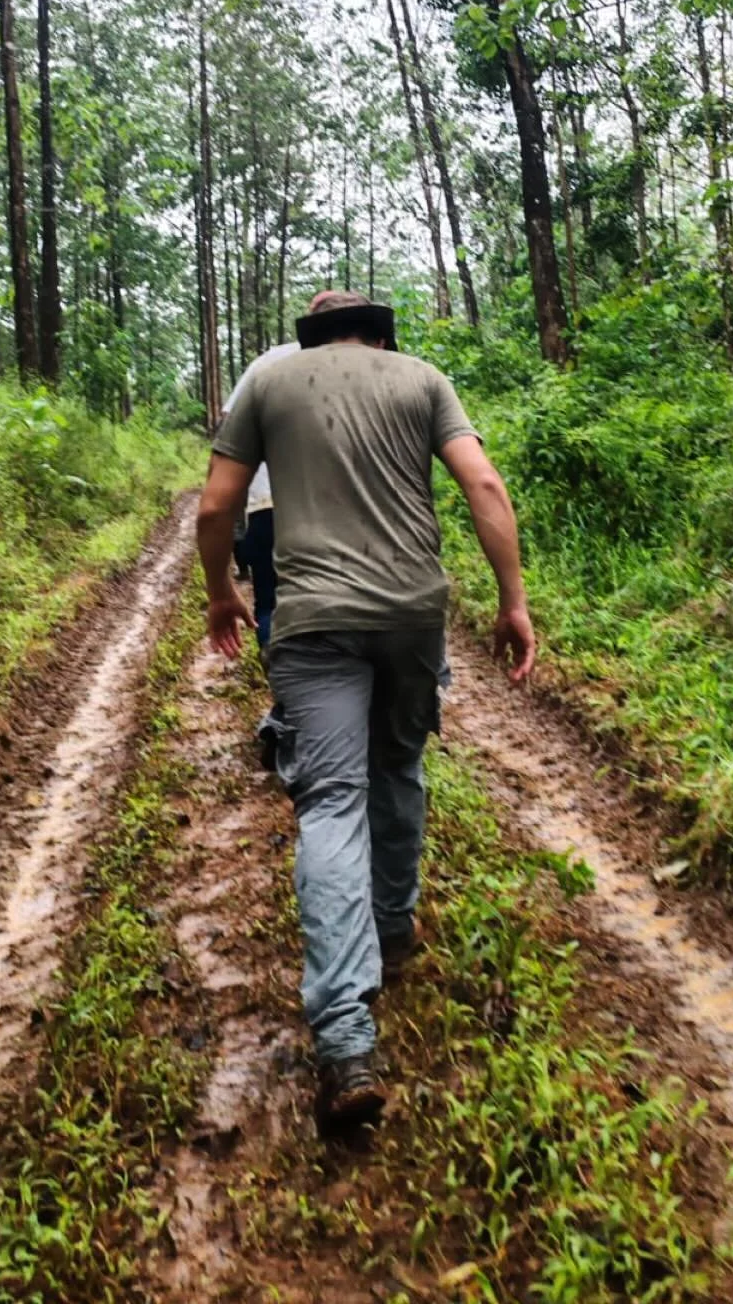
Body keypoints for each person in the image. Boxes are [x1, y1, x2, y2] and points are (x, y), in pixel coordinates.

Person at [196, 289, 535, 1134]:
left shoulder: (271, 385)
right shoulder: (422, 378)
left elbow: (214, 509)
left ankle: (347, 1042)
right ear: (382, 336)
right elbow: (483, 485)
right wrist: (512, 600)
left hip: (313, 623)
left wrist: (221, 594)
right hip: (413, 614)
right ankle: (392, 924)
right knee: (401, 764)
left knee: (330, 804)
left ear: (311, 338)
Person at [220, 338, 299, 650]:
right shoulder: (358, 360)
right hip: (329, 509)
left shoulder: (267, 363)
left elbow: (226, 426)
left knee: (268, 599)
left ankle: (274, 659)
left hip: (266, 505)